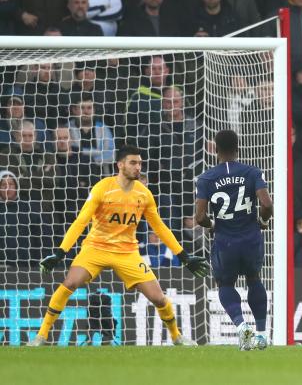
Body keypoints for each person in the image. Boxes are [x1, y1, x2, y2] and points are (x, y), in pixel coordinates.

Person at [30, 146, 209, 347]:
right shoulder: (102, 188)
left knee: (158, 298)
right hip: (96, 247)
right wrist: (60, 253)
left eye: (140, 163)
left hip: (127, 252)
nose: (138, 167)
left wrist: (184, 256)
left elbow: (160, 227)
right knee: (70, 283)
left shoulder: (144, 194)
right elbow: (80, 222)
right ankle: (41, 335)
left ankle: (176, 336)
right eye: (133, 163)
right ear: (120, 165)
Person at [194, 130, 273, 350]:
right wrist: (262, 221)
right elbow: (267, 204)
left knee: (225, 284)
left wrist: (212, 225)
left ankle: (241, 327)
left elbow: (199, 217)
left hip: (225, 242)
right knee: (254, 279)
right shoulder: (252, 172)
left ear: (216, 150)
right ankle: (261, 335)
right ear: (238, 148)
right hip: (250, 238)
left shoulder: (206, 178)